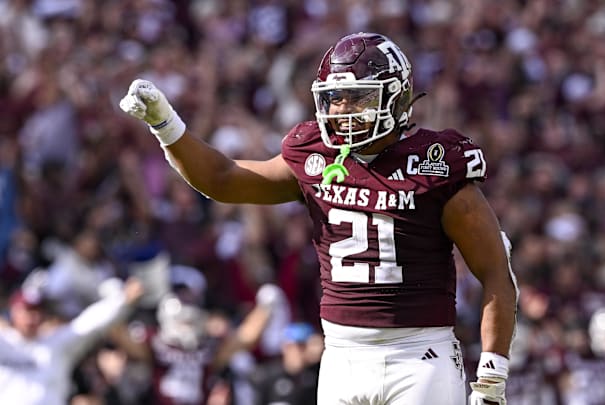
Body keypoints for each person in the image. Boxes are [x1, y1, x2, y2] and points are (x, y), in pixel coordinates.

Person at [119, 32, 518, 404]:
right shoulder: (314, 156)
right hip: (341, 354)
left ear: (396, 98)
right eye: (335, 98)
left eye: (357, 98)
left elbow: (496, 273)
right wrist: (166, 125)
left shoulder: (435, 164)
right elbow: (222, 179)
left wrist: (492, 373)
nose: (342, 110)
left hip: (419, 354)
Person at [108, 283, 285, 404]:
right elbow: (119, 335)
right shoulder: (154, 342)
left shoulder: (208, 346)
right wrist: (119, 302)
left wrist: (265, 308)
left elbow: (245, 338)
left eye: (191, 321)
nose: (187, 327)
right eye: (184, 321)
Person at [0, 276, 144, 405]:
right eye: (26, 311)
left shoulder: (57, 343)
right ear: (13, 311)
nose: (31, 318)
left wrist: (122, 300)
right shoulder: (4, 343)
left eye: (36, 312)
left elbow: (89, 323)